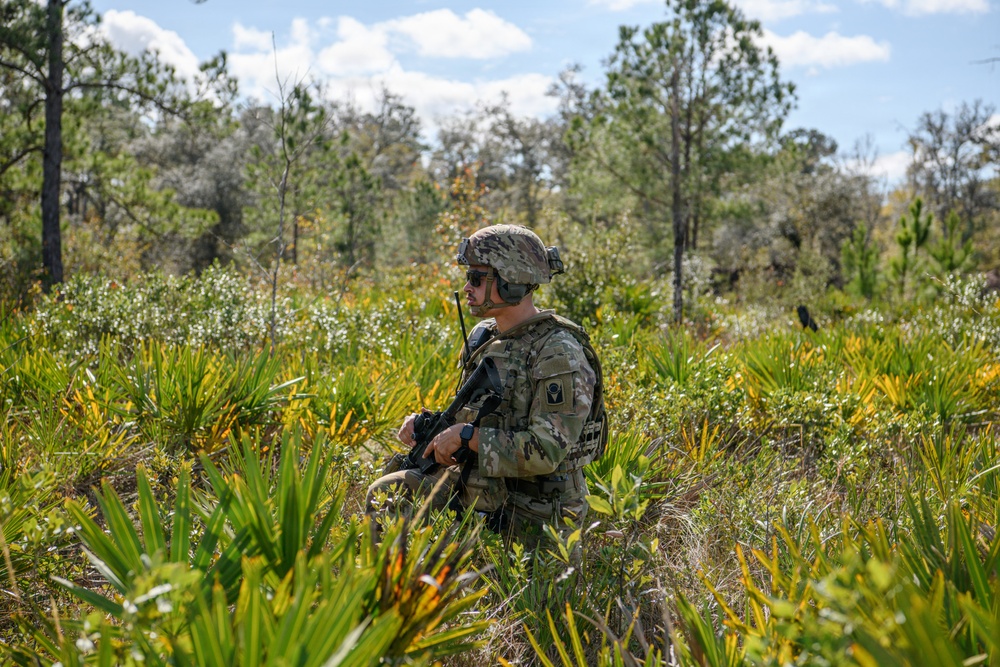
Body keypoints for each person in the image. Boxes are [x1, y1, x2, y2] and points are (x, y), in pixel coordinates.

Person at [365, 224, 607, 547]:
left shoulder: (557, 352)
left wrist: (467, 436)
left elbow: (546, 451)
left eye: (477, 278)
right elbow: (478, 413)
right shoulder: (484, 337)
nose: (467, 287)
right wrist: (429, 426)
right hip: (478, 489)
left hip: (535, 514)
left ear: (511, 280)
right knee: (387, 495)